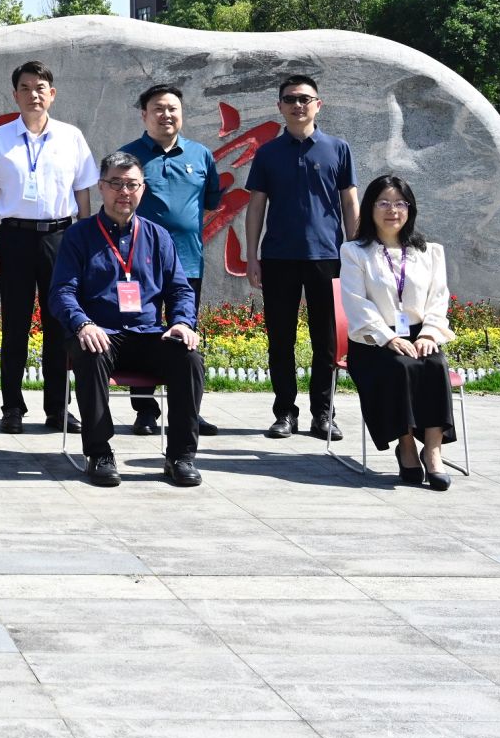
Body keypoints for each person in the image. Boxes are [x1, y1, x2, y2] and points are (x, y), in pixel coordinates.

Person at [49, 153, 206, 488]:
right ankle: (99, 453)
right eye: (116, 183)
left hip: (149, 334)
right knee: (91, 352)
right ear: (101, 187)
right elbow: (62, 292)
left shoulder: (158, 236)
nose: (124, 191)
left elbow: (180, 288)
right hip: (100, 333)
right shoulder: (79, 236)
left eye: (132, 184)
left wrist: (182, 322)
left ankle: (180, 456)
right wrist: (82, 324)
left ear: (142, 189)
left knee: (189, 357)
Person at [0, 60, 98, 434]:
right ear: (15, 95)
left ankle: (58, 408)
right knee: (15, 326)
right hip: (14, 237)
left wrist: (86, 245)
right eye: (25, 88)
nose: (33, 95)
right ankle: (12, 406)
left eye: (40, 88)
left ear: (52, 94)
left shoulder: (71, 137)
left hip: (61, 238)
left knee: (60, 324)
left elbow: (83, 194)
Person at [243, 73, 359, 441]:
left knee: (327, 341)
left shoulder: (338, 149)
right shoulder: (267, 153)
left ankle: (323, 413)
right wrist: (252, 256)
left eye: (305, 98)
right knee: (281, 340)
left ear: (317, 105)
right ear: (279, 106)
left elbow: (350, 203)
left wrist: (357, 253)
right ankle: (284, 413)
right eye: (290, 99)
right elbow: (256, 207)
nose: (298, 105)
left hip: (327, 256)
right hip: (278, 257)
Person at [339, 176, 457, 489]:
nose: (392, 210)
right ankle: (406, 447)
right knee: (400, 367)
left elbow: (438, 298)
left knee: (435, 364)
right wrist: (389, 338)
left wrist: (429, 334)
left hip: (420, 335)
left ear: (410, 209)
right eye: (384, 203)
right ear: (370, 208)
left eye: (399, 203)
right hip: (373, 341)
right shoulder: (354, 252)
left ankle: (433, 451)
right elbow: (356, 302)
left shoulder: (429, 252)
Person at [118, 83, 223, 437]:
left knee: (185, 334)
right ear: (144, 115)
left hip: (187, 261)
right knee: (140, 331)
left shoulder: (200, 155)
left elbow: (209, 203)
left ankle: (188, 412)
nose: (166, 115)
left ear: (182, 113)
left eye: (172, 108)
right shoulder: (128, 157)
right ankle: (145, 410)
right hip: (138, 264)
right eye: (158, 109)